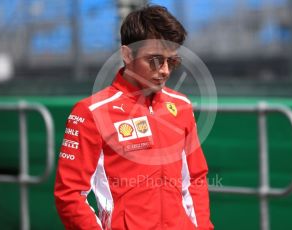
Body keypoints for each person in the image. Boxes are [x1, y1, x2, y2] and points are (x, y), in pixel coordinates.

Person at [54, 5, 214, 230]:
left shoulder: (181, 105)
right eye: (156, 60)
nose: (166, 70)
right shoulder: (91, 112)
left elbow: (196, 179)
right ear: (127, 55)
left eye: (172, 62)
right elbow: (69, 195)